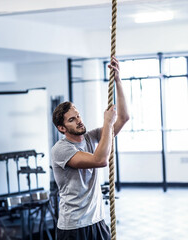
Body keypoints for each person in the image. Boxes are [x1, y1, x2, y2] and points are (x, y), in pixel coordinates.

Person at [51, 57, 129, 240]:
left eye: (78, 116)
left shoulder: (90, 137)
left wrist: (118, 80)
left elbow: (124, 118)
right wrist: (107, 122)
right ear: (62, 128)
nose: (79, 121)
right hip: (74, 227)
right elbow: (99, 160)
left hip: (97, 221)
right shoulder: (61, 150)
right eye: (72, 119)